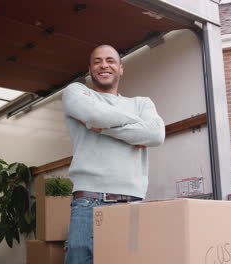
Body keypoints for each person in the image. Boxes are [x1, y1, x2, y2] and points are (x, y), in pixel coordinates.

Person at [61, 44, 165, 264]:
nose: (104, 65)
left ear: (121, 68)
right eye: (97, 61)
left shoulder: (141, 103)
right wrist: (136, 128)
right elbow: (93, 114)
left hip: (133, 204)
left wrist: (99, 126)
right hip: (88, 203)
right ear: (89, 69)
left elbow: (156, 134)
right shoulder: (76, 92)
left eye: (110, 60)